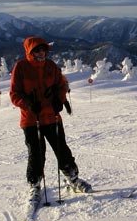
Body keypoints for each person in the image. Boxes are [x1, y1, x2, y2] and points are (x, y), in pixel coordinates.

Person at [9, 36, 91, 203]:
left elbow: (62, 85)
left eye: (43, 49)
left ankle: (73, 180)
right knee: (37, 155)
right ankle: (35, 185)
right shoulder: (21, 67)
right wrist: (28, 105)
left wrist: (59, 100)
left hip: (52, 117)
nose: (41, 52)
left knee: (62, 151)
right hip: (32, 120)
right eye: (37, 50)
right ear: (30, 51)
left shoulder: (51, 66)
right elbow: (14, 94)